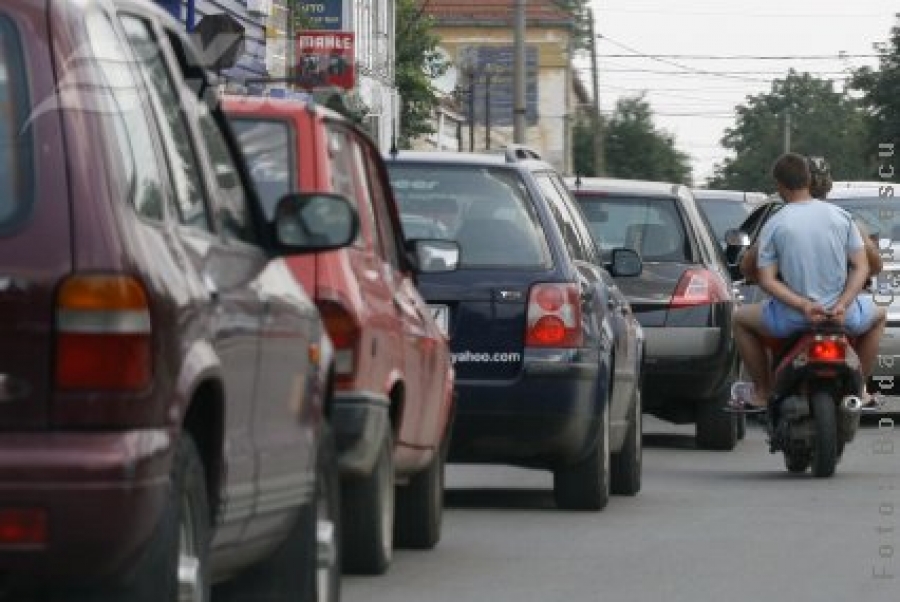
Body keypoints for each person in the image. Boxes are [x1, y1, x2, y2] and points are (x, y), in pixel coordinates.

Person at [729, 152, 887, 412]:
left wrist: (803, 305)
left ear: (779, 185)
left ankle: (762, 391)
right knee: (878, 316)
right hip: (842, 315)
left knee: (739, 319)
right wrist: (842, 304)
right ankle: (861, 390)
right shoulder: (843, 218)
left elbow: (761, 275)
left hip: (793, 317)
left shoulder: (776, 222)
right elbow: (867, 266)